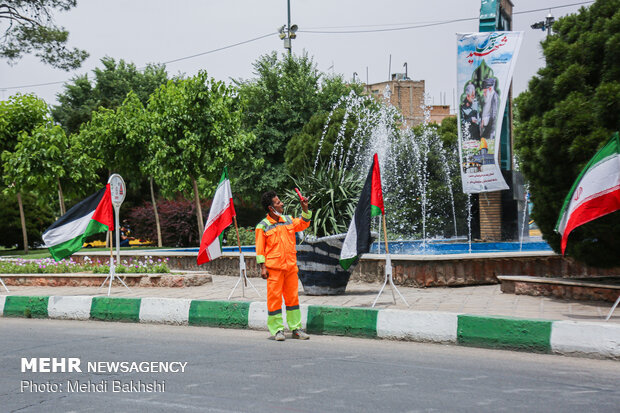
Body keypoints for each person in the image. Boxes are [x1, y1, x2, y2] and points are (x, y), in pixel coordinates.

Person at [255, 190, 312, 341]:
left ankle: (296, 328)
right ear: (270, 208)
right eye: (278, 202)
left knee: (293, 298)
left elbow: (304, 223)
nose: (282, 204)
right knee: (274, 300)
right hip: (274, 269)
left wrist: (305, 208)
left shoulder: (288, 220)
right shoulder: (262, 226)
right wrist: (262, 267)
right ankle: (277, 330)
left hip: (291, 267)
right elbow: (260, 249)